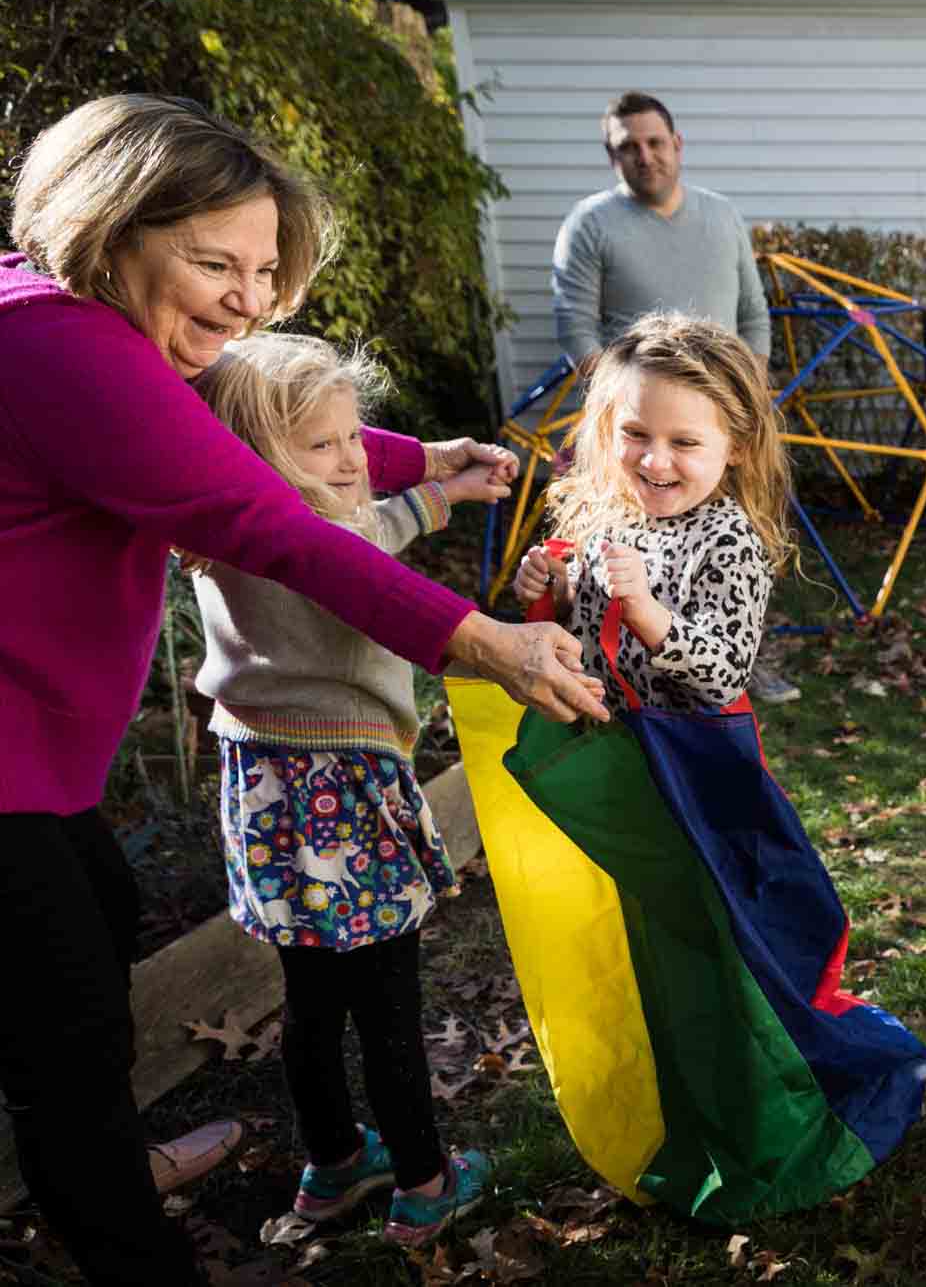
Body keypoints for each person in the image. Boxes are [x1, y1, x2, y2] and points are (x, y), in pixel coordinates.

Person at [0, 93, 607, 1287]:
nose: (249, 299)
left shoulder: (79, 322)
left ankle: (107, 1158)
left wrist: (419, 459)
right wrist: (480, 639)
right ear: (110, 228)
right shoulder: (60, 346)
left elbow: (245, 432)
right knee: (63, 1034)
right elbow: (260, 514)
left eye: (265, 269)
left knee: (100, 934)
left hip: (41, 749)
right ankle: (120, 1227)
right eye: (213, 261)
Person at [188, 335, 498, 1246]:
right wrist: (445, 491)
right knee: (386, 1002)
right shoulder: (313, 534)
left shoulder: (218, 528)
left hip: (263, 785)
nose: (354, 459)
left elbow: (369, 510)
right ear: (255, 454)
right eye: (322, 446)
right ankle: (424, 1181)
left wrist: (429, 475)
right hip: (346, 785)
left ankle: (331, 1165)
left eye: (353, 436)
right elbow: (370, 540)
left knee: (312, 1001)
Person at [550, 92, 797, 703]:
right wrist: (627, 402)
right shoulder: (590, 224)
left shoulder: (721, 215)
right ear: (611, 156)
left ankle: (743, 659)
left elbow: (753, 316)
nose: (645, 156)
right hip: (634, 395)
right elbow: (576, 327)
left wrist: (738, 393)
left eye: (655, 142)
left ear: (677, 145)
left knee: (715, 574)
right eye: (627, 146)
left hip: (715, 404)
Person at [512, 312, 794, 714]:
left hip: (674, 758)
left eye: (684, 442)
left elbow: (726, 677)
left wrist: (645, 613)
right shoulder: (614, 511)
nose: (655, 461)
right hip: (599, 743)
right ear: (609, 428)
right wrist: (560, 590)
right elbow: (589, 616)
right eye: (636, 434)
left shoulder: (727, 540)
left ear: (738, 447)